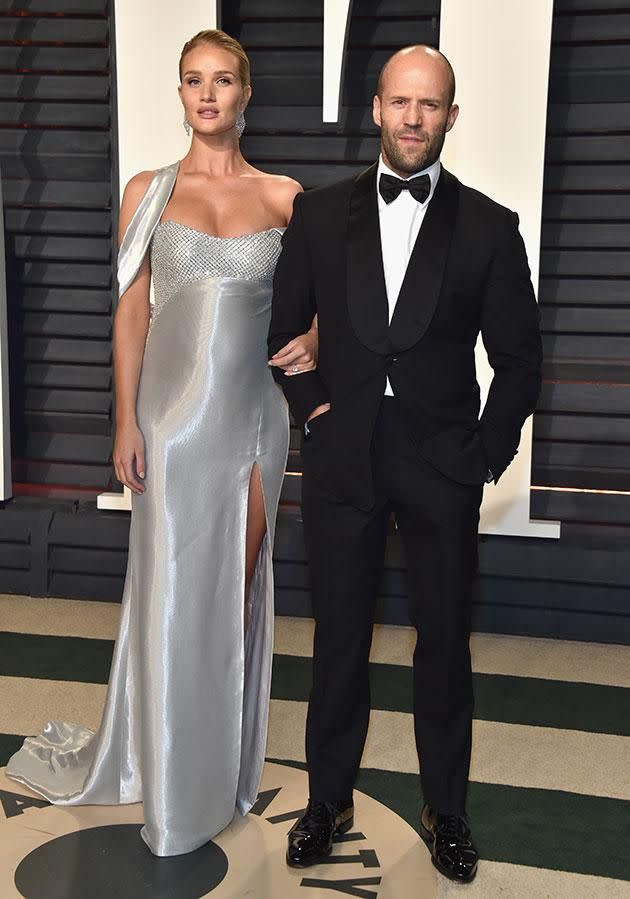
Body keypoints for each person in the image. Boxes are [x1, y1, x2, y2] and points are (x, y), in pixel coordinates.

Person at [7, 29, 317, 857]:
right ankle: (173, 782)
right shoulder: (147, 189)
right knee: (176, 602)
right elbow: (133, 311)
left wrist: (316, 338)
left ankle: (219, 772)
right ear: (180, 94)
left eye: (222, 81)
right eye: (192, 81)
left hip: (256, 422)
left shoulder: (288, 197)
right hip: (171, 427)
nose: (207, 95)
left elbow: (330, 305)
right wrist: (123, 421)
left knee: (237, 599)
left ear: (247, 94)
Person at [268, 45, 542, 884]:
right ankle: (328, 798)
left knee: (444, 646)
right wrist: (314, 411)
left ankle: (445, 808)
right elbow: (283, 327)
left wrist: (482, 458)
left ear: (451, 116)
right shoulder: (317, 215)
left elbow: (521, 361)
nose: (414, 118)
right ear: (378, 109)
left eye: (431, 105)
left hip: (443, 466)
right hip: (344, 460)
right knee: (339, 635)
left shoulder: (491, 226)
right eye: (401, 103)